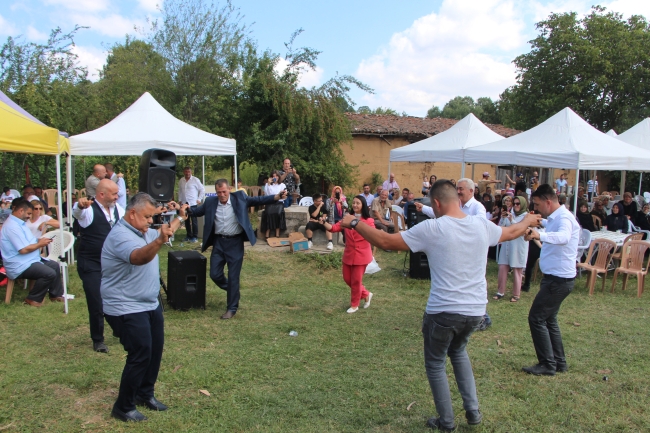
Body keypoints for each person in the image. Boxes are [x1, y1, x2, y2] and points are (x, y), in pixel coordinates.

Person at [338, 180, 539, 431]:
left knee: (435, 362)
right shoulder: (480, 225)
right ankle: (473, 411)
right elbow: (510, 233)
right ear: (457, 199)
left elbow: (387, 242)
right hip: (476, 311)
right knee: (458, 351)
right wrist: (527, 221)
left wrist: (354, 222)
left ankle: (447, 421)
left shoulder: (433, 228)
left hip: (443, 311)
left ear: (435, 203)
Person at [101, 193, 187, 422]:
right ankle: (123, 406)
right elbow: (138, 257)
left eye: (152, 216)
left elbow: (163, 232)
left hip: (149, 303)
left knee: (154, 350)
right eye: (147, 216)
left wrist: (181, 217)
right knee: (140, 353)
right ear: (132, 213)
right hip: (124, 305)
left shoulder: (140, 230)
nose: (151, 221)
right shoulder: (120, 236)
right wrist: (159, 241)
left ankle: (144, 393)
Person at [190, 179, 287, 319]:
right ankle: (232, 290)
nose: (222, 195)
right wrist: (184, 209)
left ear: (229, 189)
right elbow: (197, 211)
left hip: (235, 243)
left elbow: (258, 200)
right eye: (218, 193)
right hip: (219, 243)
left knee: (233, 276)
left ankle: (231, 308)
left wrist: (276, 197)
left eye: (224, 191)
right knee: (214, 274)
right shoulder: (210, 202)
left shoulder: (240, 198)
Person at [523, 184, 580, 376]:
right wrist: (539, 224)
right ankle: (558, 362)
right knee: (549, 319)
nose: (537, 208)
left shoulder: (564, 219)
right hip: (557, 279)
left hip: (558, 281)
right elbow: (551, 226)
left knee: (536, 318)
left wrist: (539, 234)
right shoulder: (557, 218)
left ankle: (547, 364)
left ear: (548, 202)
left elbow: (563, 237)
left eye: (538, 204)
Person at [72, 179, 124, 352]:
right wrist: (79, 206)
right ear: (102, 194)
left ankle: (119, 330)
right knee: (96, 302)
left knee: (117, 298)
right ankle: (98, 339)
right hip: (91, 264)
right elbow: (77, 213)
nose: (118, 196)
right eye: (114, 194)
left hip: (111, 264)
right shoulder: (88, 211)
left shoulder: (118, 209)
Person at [0, 200, 62, 306]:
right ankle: (32, 299)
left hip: (30, 260)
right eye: (28, 213)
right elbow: (23, 250)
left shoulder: (20, 223)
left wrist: (39, 241)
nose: (30, 216)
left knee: (54, 265)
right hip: (19, 265)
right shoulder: (12, 226)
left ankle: (56, 295)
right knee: (49, 273)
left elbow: (28, 242)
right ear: (20, 211)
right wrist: (40, 244)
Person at [322, 196, 375, 313]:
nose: (355, 205)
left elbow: (373, 235)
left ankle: (354, 305)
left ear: (363, 205)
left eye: (358, 203)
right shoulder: (347, 218)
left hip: (362, 255)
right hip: (349, 254)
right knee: (347, 279)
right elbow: (334, 228)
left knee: (356, 281)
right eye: (354, 203)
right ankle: (366, 294)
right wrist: (324, 223)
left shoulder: (369, 221)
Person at [494, 197, 529, 302]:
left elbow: (522, 230)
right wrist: (503, 218)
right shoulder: (509, 213)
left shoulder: (526, 217)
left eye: (518, 204)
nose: (516, 206)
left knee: (517, 270)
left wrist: (512, 220)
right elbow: (500, 228)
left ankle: (516, 294)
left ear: (522, 204)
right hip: (507, 244)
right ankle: (500, 291)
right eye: (514, 203)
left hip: (518, 246)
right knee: (502, 268)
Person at [177, 166, 205, 243]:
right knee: (186, 219)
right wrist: (179, 199)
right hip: (184, 203)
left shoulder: (195, 180)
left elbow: (202, 189)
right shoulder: (181, 180)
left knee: (194, 220)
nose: (187, 173)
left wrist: (199, 199)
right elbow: (180, 191)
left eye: (188, 172)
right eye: (186, 172)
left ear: (191, 172)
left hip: (192, 203)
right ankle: (188, 235)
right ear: (184, 172)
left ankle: (195, 236)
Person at [262, 170, 287, 239]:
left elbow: (284, 195)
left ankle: (277, 233)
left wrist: (283, 194)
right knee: (268, 213)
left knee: (278, 213)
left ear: (278, 177)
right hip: (270, 202)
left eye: (276, 176)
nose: (275, 177)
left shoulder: (282, 185)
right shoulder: (267, 185)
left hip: (279, 202)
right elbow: (267, 195)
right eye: (273, 176)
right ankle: (267, 233)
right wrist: (269, 185)